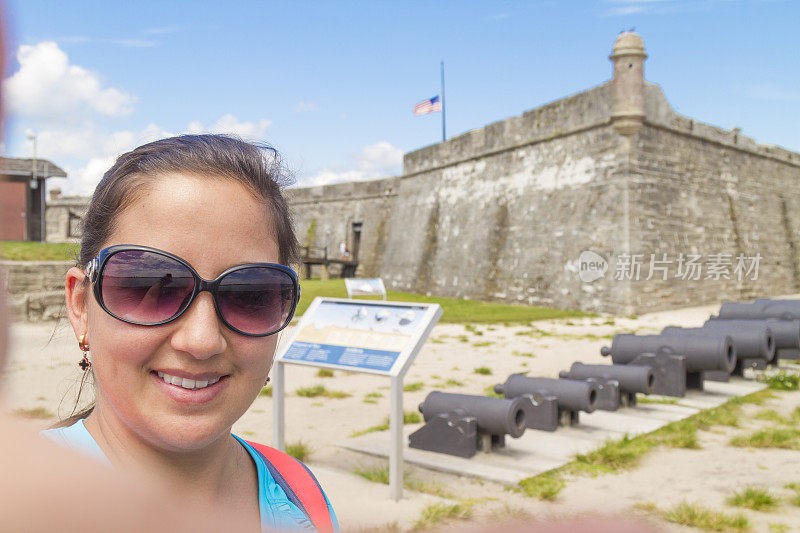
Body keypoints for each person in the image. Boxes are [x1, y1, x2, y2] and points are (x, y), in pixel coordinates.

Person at [42, 135, 337, 531]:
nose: (202, 341)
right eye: (153, 286)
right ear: (81, 305)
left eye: (250, 293)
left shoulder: (304, 496)